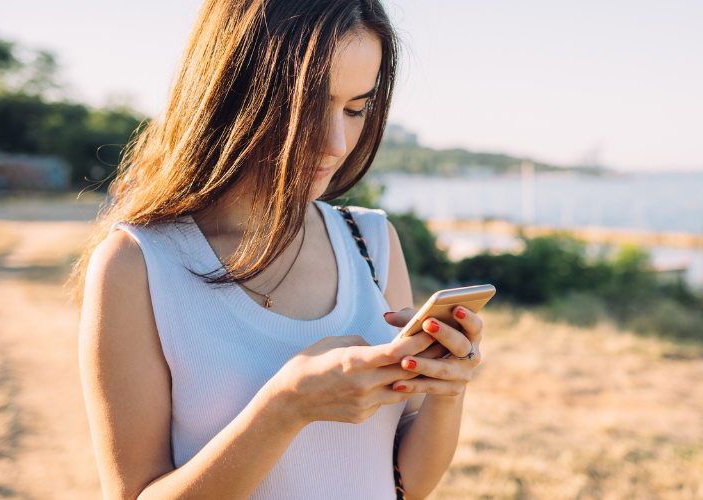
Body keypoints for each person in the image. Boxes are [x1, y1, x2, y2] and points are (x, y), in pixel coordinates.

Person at [69, 1, 482, 499]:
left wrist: (447, 390)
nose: (335, 142)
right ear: (233, 93)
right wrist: (287, 407)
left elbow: (405, 485)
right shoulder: (138, 264)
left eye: (356, 108)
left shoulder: (371, 243)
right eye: (308, 106)